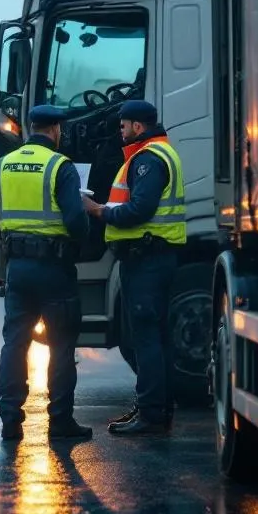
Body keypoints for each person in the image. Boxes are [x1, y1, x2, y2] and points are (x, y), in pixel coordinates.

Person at [0, 104, 93, 442]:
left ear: (31, 127)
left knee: (15, 344)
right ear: (56, 130)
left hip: (17, 268)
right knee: (61, 345)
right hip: (54, 269)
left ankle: (10, 421)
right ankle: (60, 423)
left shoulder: (2, 166)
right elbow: (76, 221)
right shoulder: (60, 166)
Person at [82, 100, 185, 436]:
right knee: (155, 337)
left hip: (147, 258)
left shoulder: (148, 160)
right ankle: (155, 407)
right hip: (153, 256)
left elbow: (139, 210)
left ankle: (152, 414)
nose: (120, 131)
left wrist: (98, 211)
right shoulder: (154, 154)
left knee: (146, 339)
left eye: (124, 125)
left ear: (138, 127)